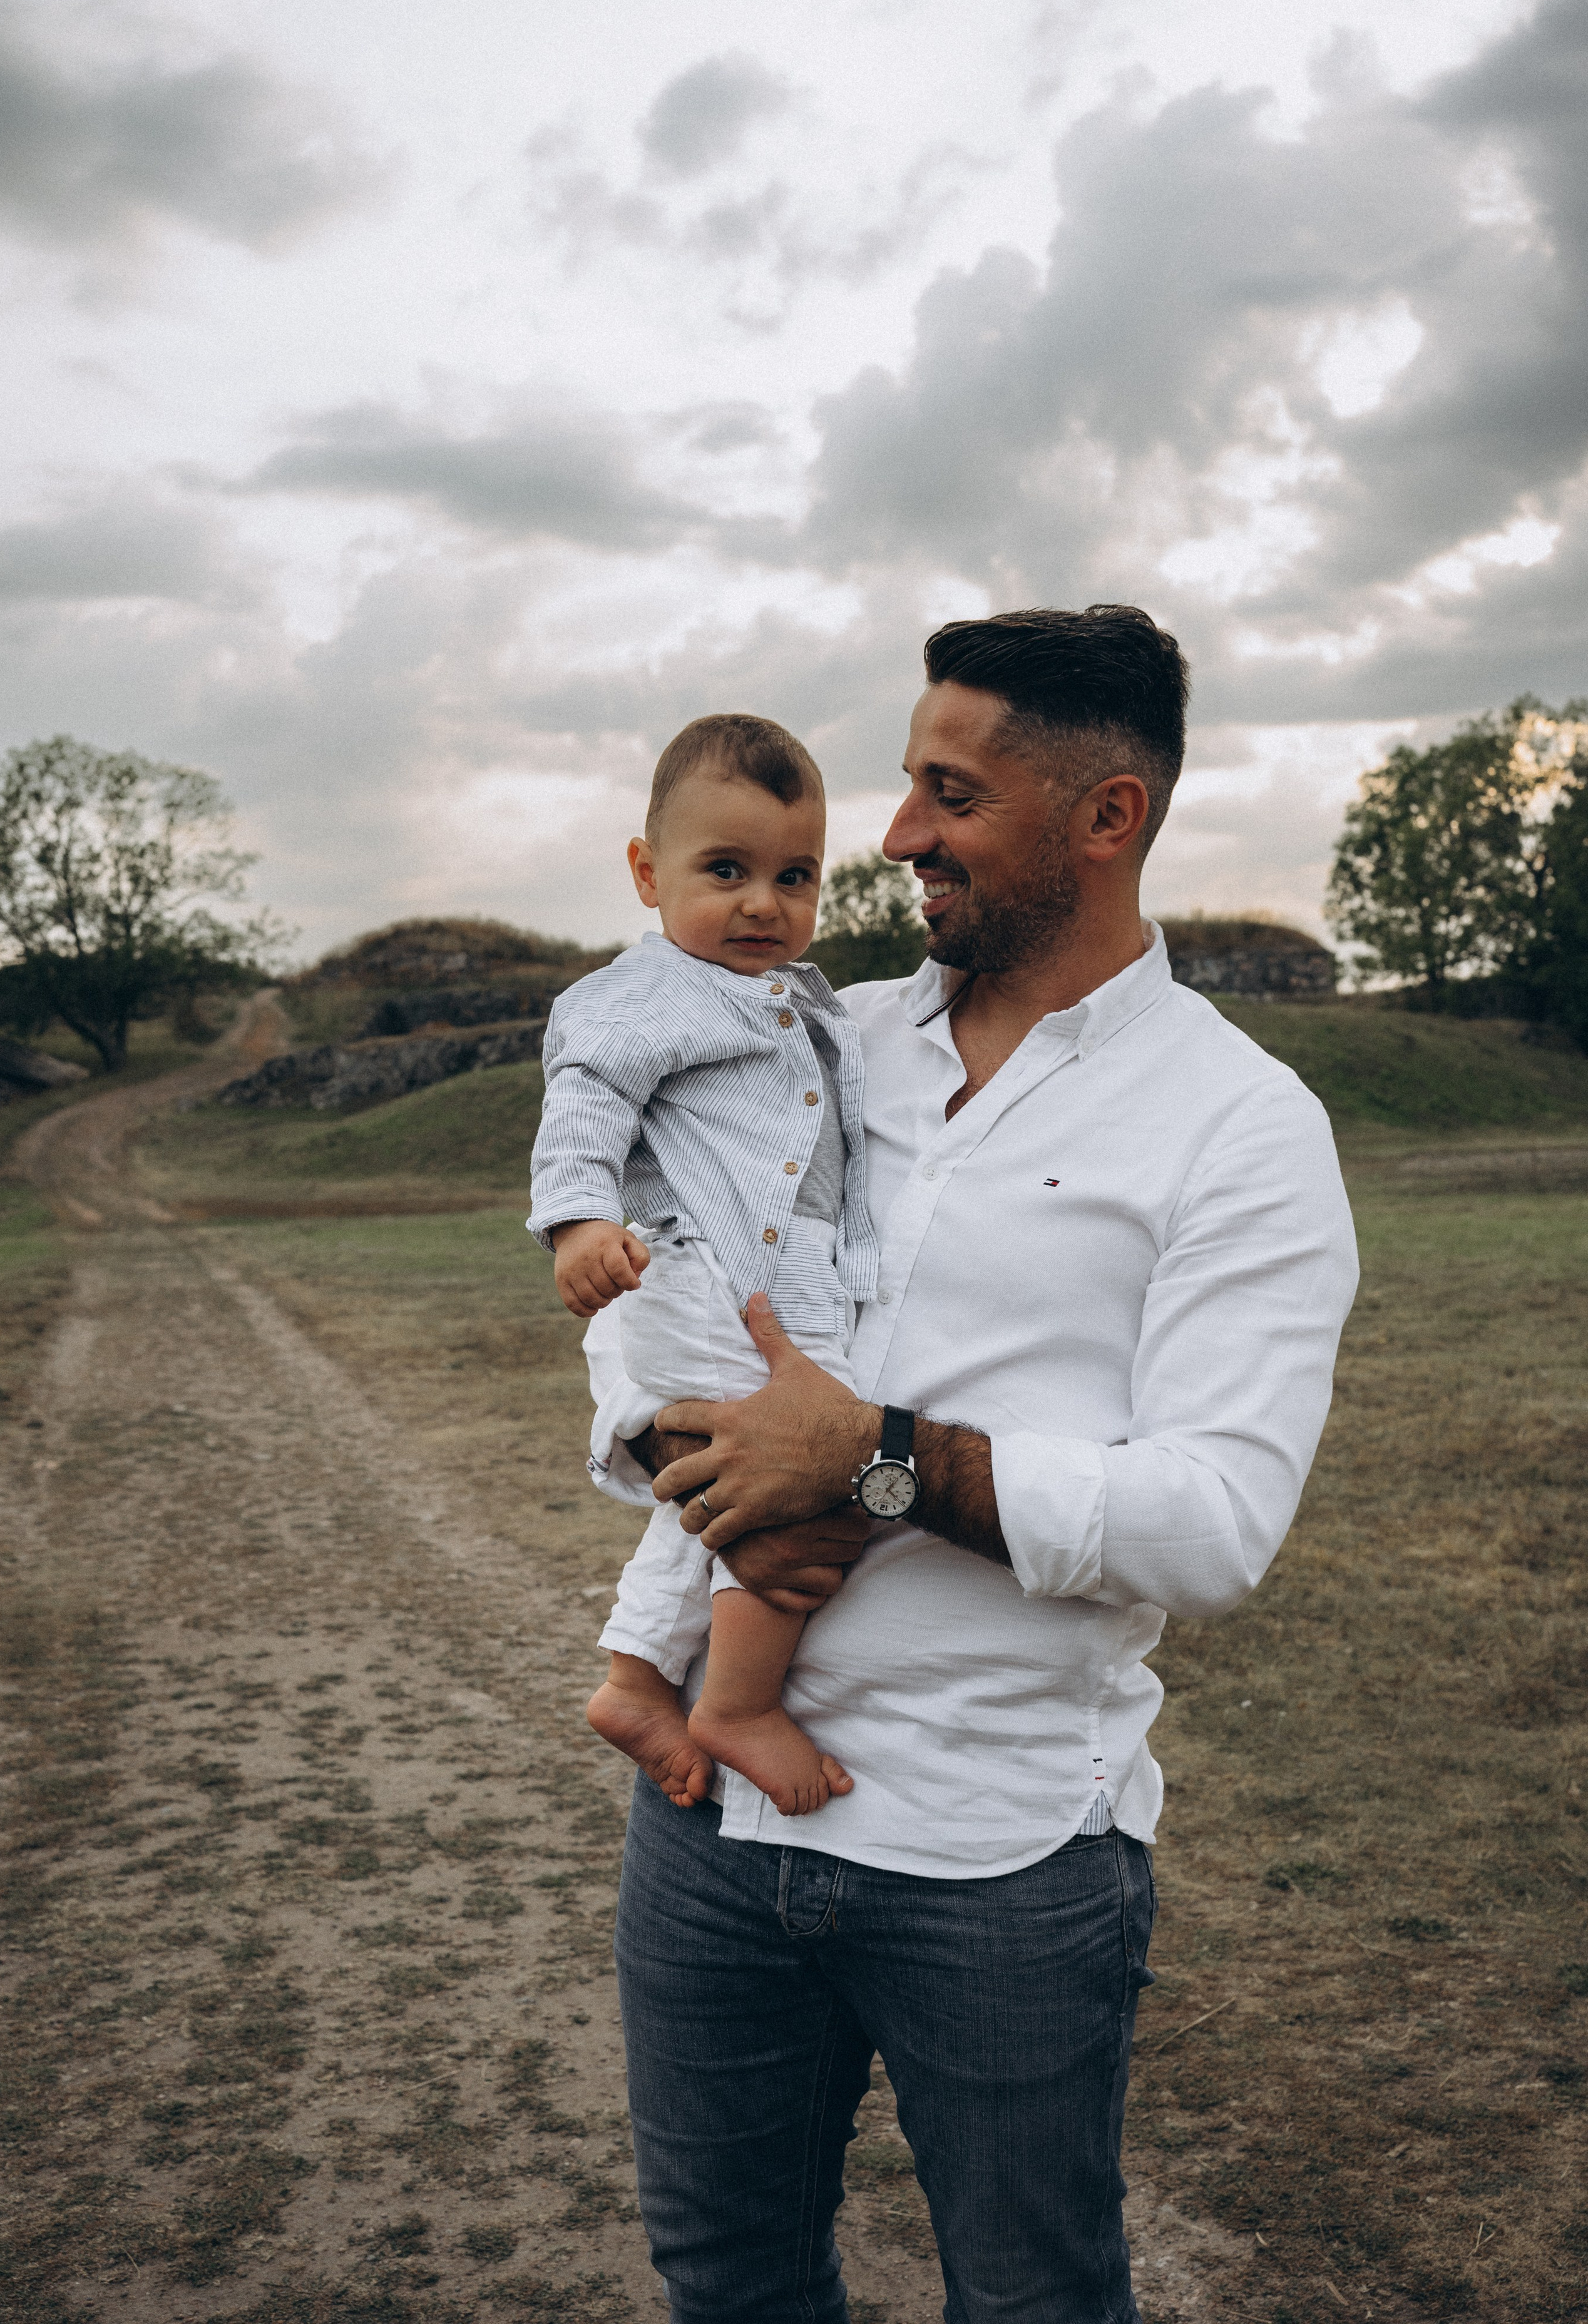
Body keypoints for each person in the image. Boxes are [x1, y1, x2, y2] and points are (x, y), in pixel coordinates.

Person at [580, 605, 1360, 2324]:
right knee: (725, 2282)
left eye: (950, 794)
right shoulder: (806, 1045)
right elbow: (645, 1279)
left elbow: (1213, 1523)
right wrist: (677, 1450)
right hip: (705, 1829)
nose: (896, 835)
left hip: (997, 1861)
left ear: (1106, 817)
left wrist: (873, 1466)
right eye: (906, 784)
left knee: (1031, 2299)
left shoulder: (1242, 1128)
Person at [528, 712, 884, 1817]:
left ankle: (639, 1681)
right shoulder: (646, 996)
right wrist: (580, 1224)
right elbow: (584, 1102)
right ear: (648, 874)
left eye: (794, 876)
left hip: (767, 1285)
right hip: (698, 1275)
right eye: (725, 871)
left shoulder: (799, 1003)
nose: (763, 903)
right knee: (793, 1485)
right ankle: (737, 1704)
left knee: (730, 1489)